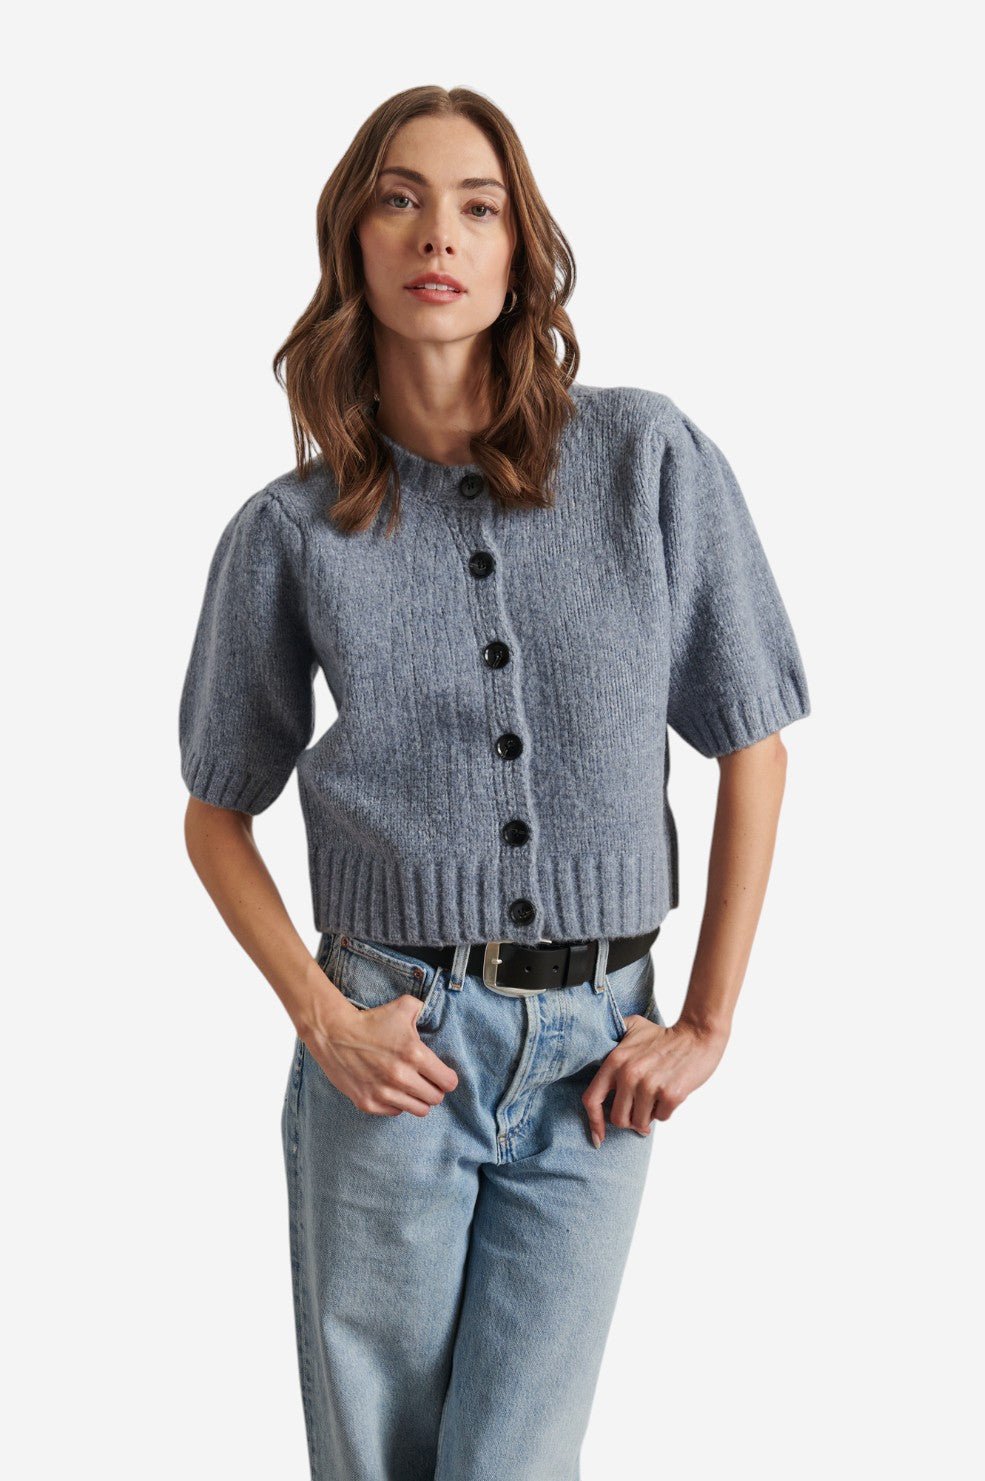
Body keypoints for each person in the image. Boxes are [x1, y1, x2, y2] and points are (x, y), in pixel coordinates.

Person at [179, 85, 811, 1481]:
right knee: (382, 1461)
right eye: (399, 200)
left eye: (479, 207)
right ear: (351, 243)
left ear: (522, 251)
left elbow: (752, 739)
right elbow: (215, 811)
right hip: (392, 1044)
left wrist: (706, 1021)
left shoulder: (646, 459)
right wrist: (322, 1017)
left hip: (598, 1057)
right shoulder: (290, 531)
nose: (439, 235)